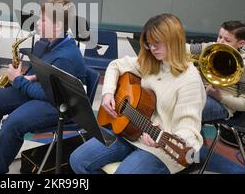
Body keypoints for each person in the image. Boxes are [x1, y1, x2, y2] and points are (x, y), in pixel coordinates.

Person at [0, 0, 87, 174]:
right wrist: (30, 77)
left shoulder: (66, 56)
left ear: (57, 26)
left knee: (13, 123)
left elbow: (49, 95)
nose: (38, 23)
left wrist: (18, 80)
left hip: (60, 105)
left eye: (42, 20)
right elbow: (46, 77)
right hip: (46, 93)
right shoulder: (48, 44)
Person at [70, 13, 206, 174]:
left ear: (174, 40)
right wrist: (108, 93)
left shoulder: (190, 80)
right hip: (129, 132)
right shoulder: (152, 62)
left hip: (162, 148)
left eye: (157, 43)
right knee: (77, 160)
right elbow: (115, 65)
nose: (152, 49)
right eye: (149, 44)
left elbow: (189, 129)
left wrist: (163, 137)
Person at [188, 21, 245, 122]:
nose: (220, 42)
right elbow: (183, 49)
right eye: (220, 37)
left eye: (227, 40)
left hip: (221, 104)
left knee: (187, 109)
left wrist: (220, 97)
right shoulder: (210, 48)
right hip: (198, 93)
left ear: (241, 43)